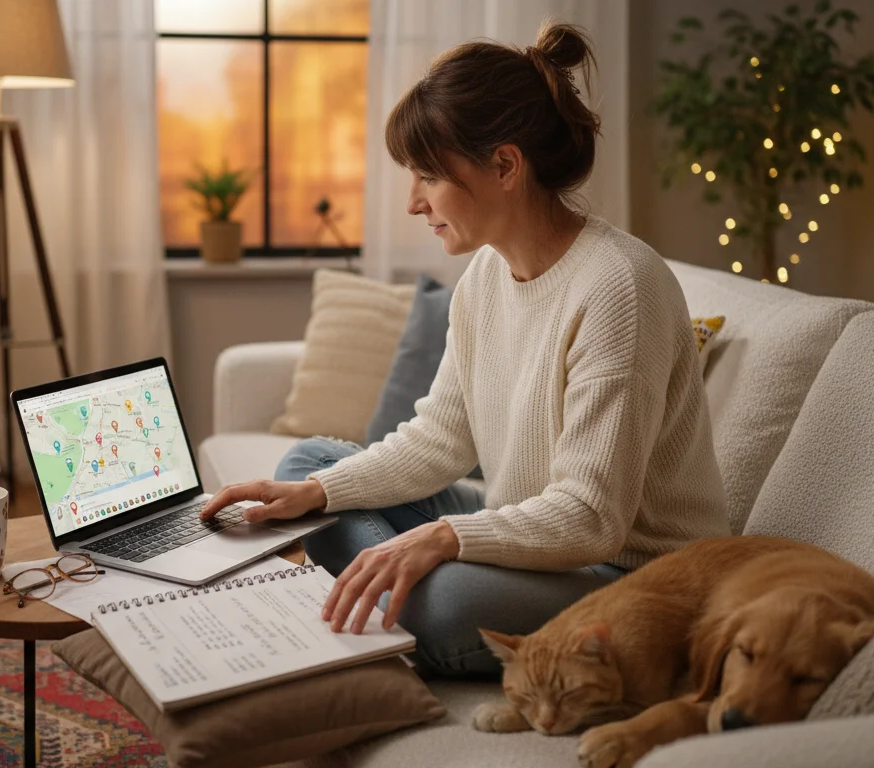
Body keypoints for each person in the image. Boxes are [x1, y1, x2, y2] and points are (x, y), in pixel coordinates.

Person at [199, 21, 730, 678]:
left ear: (505, 165)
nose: (414, 202)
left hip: (630, 576)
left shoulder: (620, 286)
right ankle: (382, 582)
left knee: (445, 603)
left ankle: (385, 587)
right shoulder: (485, 275)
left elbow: (593, 517)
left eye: (427, 175)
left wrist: (444, 537)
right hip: (529, 526)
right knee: (311, 466)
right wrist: (317, 491)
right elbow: (439, 441)